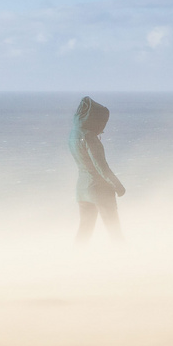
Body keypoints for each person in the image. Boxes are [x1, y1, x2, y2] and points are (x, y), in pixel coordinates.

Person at [68, 96, 125, 242]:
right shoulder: (89, 137)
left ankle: (73, 260)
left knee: (84, 230)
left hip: (82, 189)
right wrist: (118, 186)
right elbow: (101, 167)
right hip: (99, 189)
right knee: (114, 231)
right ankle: (126, 259)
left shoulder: (73, 134)